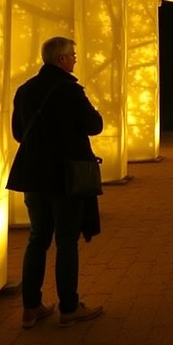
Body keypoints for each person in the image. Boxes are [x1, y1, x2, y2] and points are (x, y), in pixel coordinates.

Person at [7, 36, 104, 328]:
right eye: (73, 55)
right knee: (66, 241)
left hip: (33, 176)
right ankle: (70, 307)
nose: (75, 59)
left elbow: (18, 132)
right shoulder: (70, 91)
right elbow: (94, 125)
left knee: (37, 238)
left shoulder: (25, 90)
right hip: (65, 176)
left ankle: (31, 306)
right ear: (61, 59)